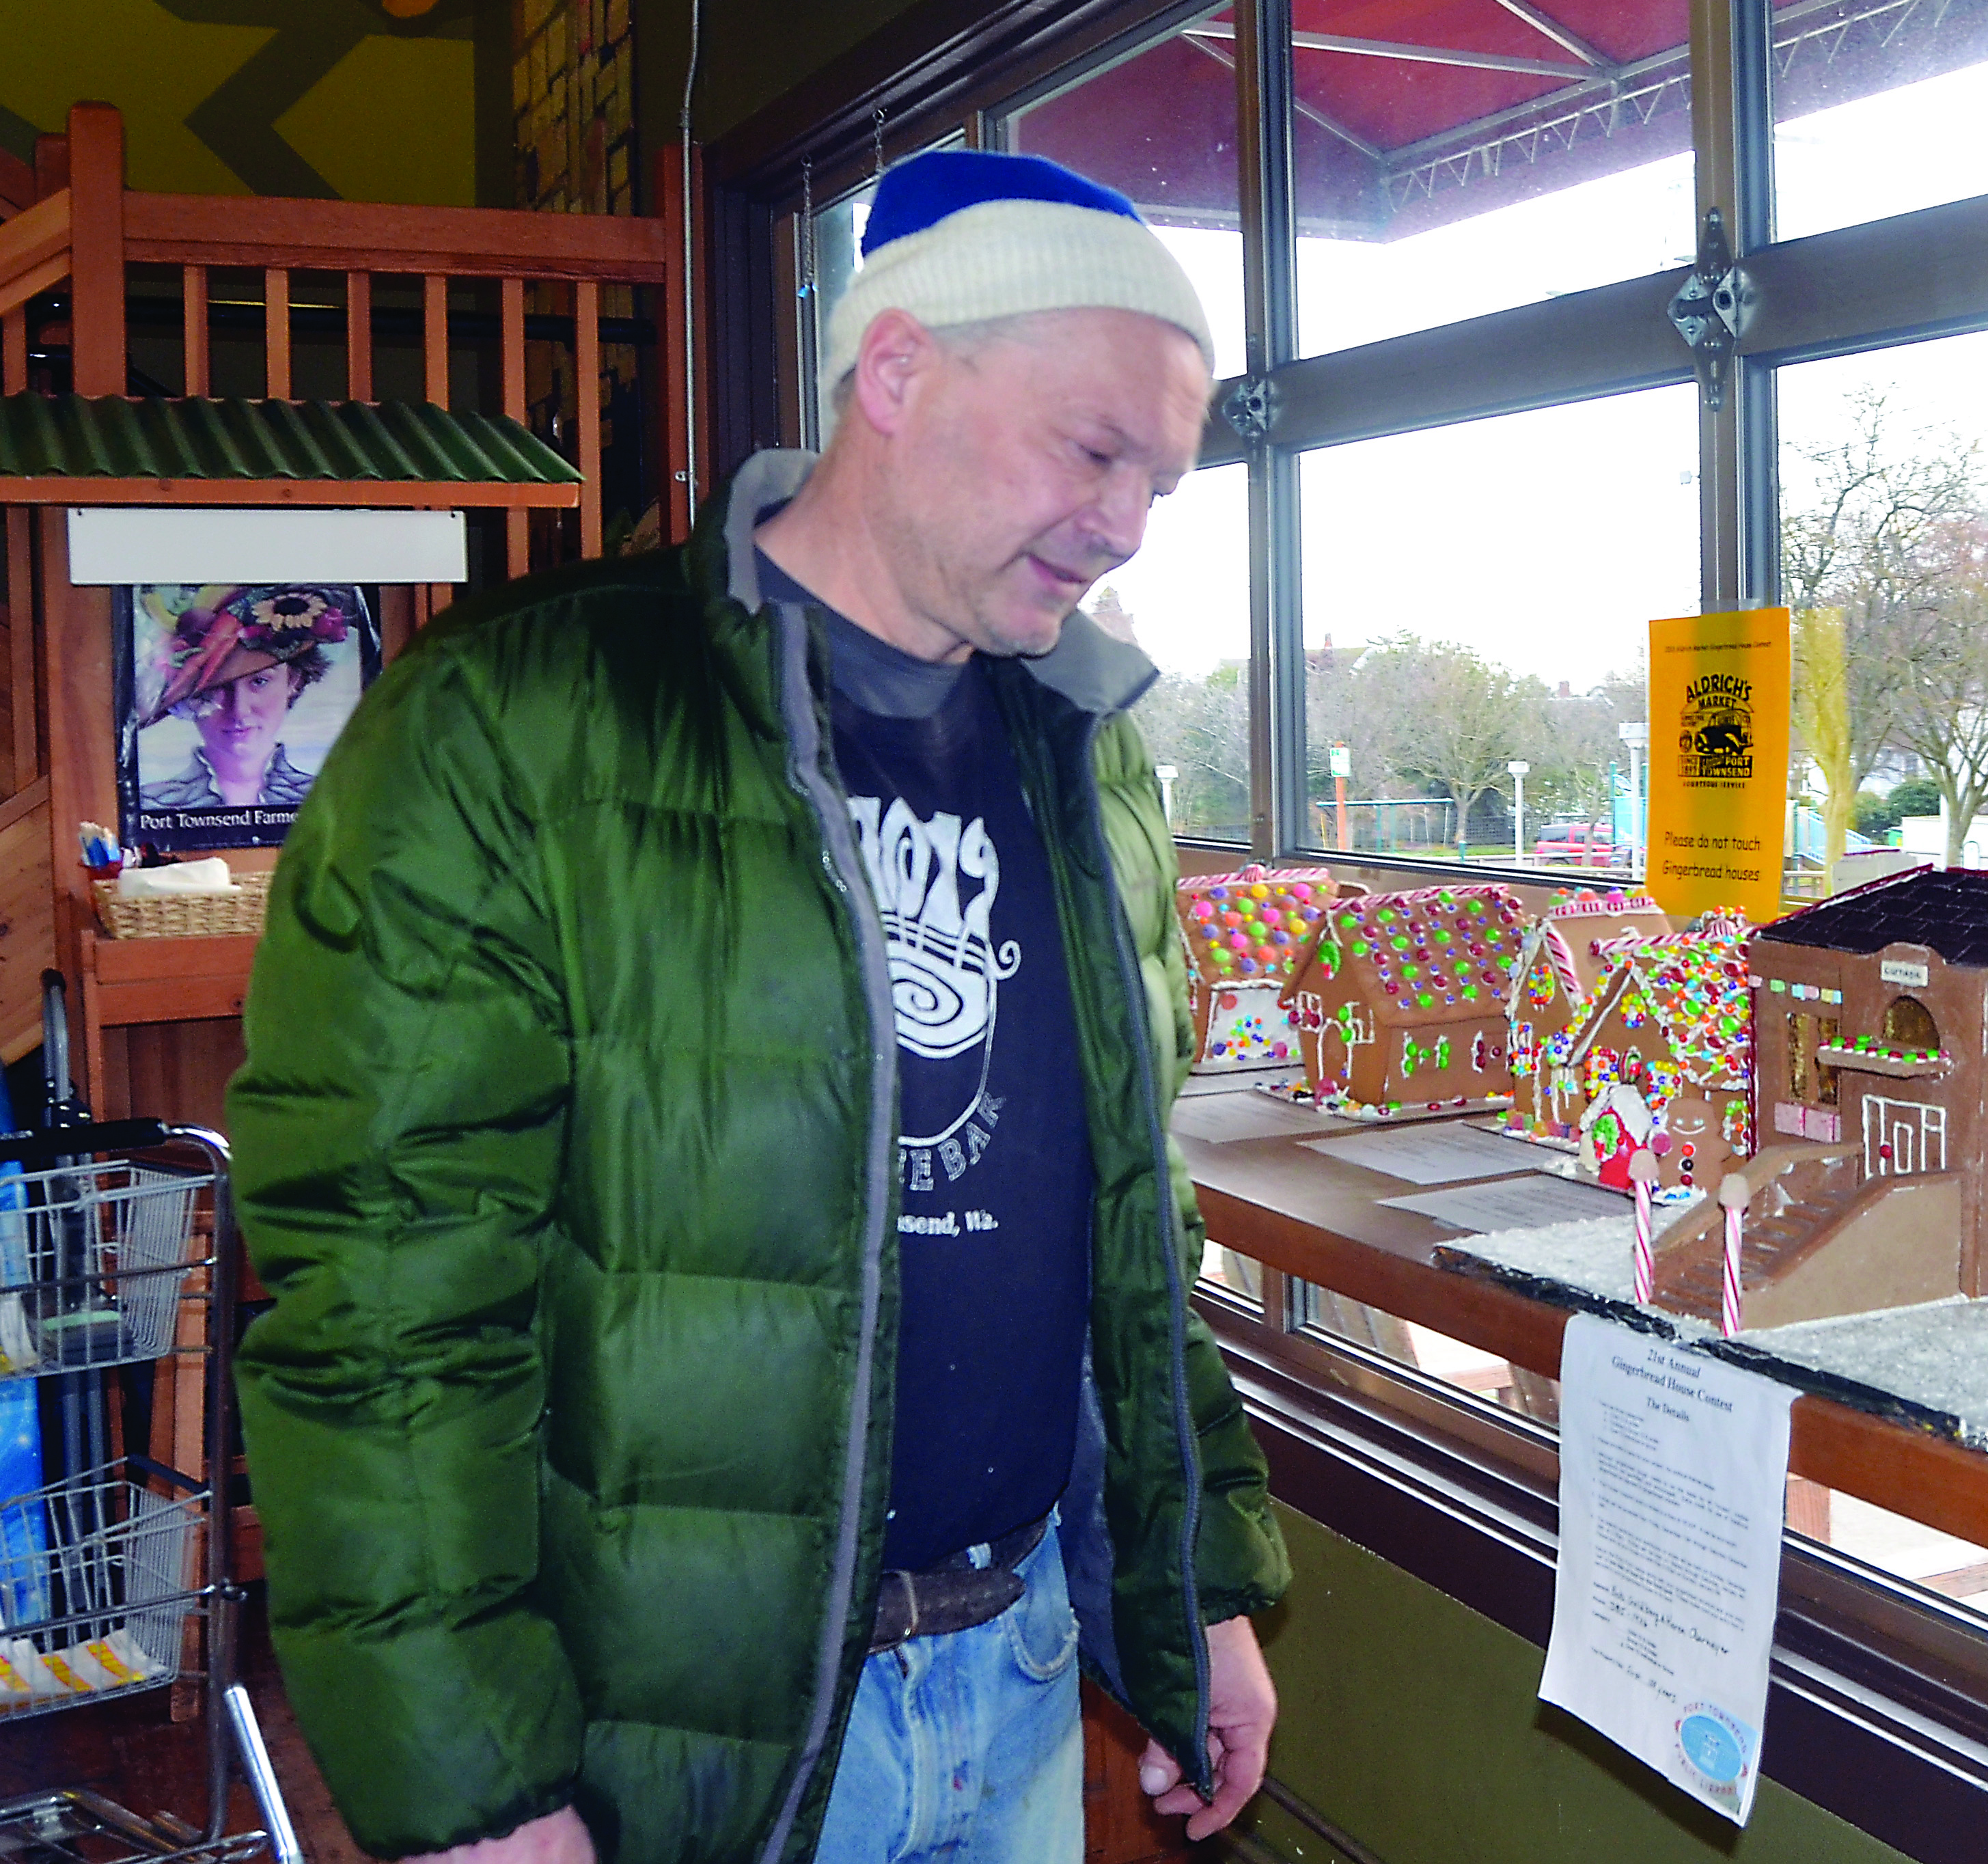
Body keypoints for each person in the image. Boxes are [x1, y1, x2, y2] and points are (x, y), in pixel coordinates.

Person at [227, 151, 1290, 1864]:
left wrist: (1198, 1588)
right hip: (677, 1736)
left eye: (1159, 482)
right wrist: (477, 1782)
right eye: (1093, 449)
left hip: (1020, 1674)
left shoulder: (1093, 757)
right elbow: (385, 1291)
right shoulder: (521, 717)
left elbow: (1128, 1229)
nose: (1125, 524)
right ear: (899, 372)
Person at [136, 584, 352, 810]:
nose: (239, 710)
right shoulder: (152, 803)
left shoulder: (335, 805)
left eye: (259, 682)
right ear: (188, 701)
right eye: (218, 688)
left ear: (293, 682)